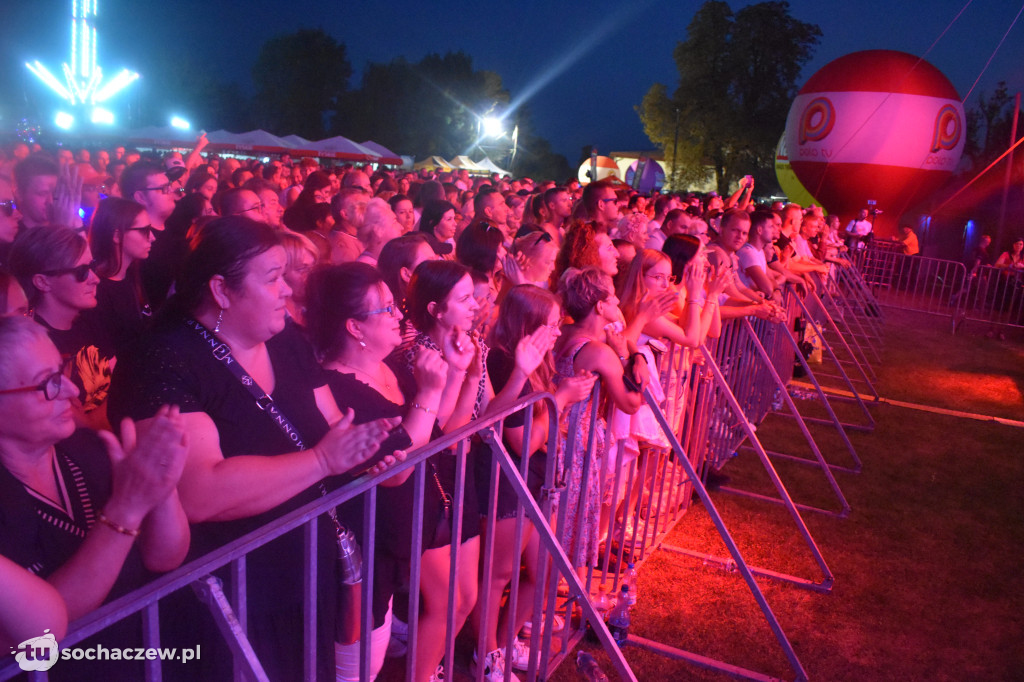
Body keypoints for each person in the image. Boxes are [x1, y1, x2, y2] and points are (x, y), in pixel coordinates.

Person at [107, 216, 399, 680]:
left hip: (302, 573)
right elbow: (200, 489)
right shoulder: (164, 359)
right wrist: (324, 460)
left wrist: (367, 450)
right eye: (273, 278)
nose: (288, 290)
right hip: (225, 598)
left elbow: (328, 424)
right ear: (222, 290)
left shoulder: (286, 340)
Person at [0, 316, 190, 673]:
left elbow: (165, 557)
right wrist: (125, 510)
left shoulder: (90, 448)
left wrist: (161, 489)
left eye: (63, 371)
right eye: (49, 384)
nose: (73, 392)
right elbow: (37, 629)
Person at [305, 263, 449, 681]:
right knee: (359, 666)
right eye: (386, 309)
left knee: (377, 654)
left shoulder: (393, 365)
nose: (400, 317)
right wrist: (430, 392)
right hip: (361, 551)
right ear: (354, 327)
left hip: (392, 545)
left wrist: (456, 374)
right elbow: (396, 471)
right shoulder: (337, 387)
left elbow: (435, 430)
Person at [472, 284, 595, 677]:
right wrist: (562, 398)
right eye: (552, 325)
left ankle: (505, 645)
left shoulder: (533, 361)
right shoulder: (505, 362)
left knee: (545, 569)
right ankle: (486, 654)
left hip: (536, 480)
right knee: (498, 576)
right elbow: (521, 440)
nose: (559, 332)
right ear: (528, 325)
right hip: (507, 481)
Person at [8, 225, 114, 430]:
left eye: (91, 266)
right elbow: (80, 425)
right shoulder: (36, 347)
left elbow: (119, 381)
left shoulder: (90, 319)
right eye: (82, 272)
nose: (95, 279)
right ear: (42, 282)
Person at [82, 197, 155, 356]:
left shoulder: (130, 274)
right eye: (144, 230)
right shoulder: (97, 290)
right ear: (116, 236)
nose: (152, 237)